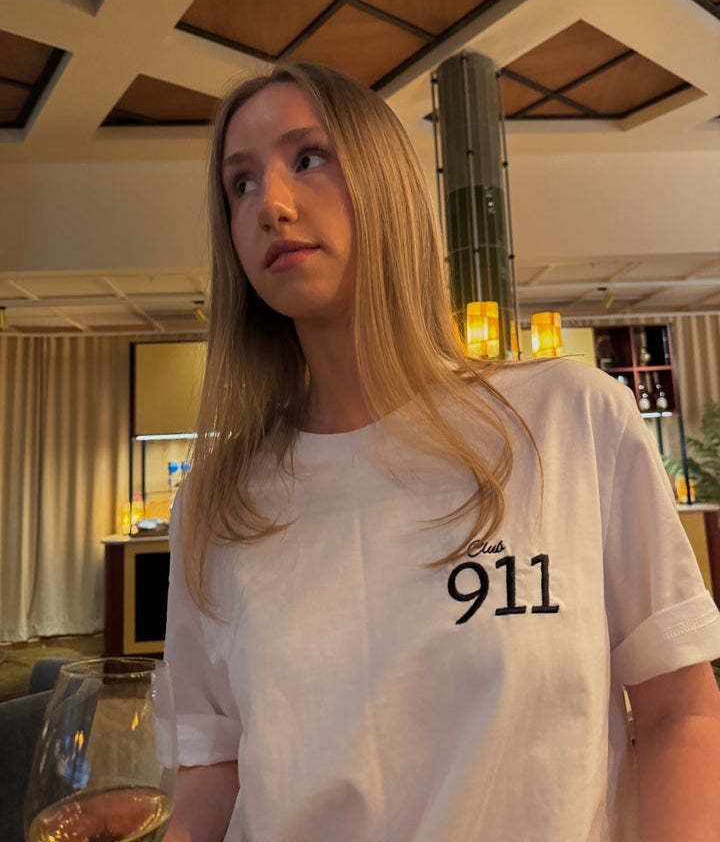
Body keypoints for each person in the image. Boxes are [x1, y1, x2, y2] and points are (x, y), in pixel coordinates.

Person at [163, 61, 720, 842]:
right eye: (241, 184)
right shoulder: (215, 505)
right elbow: (210, 774)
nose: (272, 205)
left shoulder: (571, 419)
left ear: (387, 182)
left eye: (308, 158)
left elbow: (678, 711)